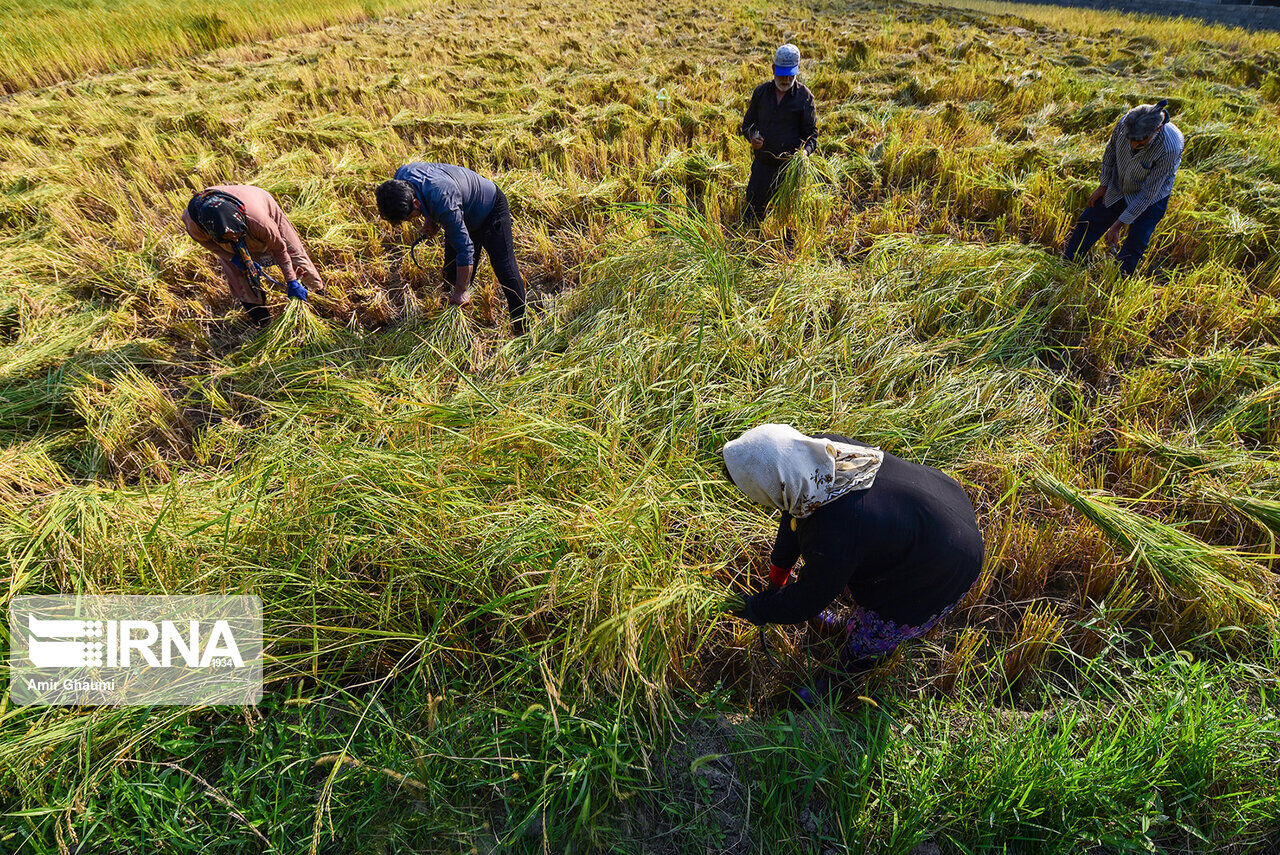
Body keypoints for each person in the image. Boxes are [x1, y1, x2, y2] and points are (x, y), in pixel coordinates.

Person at [722, 425, 983, 694]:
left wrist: (756, 608)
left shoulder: (834, 530)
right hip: (937, 503)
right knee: (853, 563)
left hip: (947, 560)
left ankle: (834, 683)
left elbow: (808, 600)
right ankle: (847, 627)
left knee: (877, 632)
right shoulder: (820, 454)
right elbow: (794, 510)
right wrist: (779, 569)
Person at [375, 163, 528, 336]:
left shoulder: (443, 199)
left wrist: (461, 291)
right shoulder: (401, 177)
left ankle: (521, 328)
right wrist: (430, 219)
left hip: (490, 209)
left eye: (410, 217)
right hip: (460, 209)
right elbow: (424, 196)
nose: (410, 221)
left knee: (504, 268)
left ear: (415, 203)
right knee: (451, 274)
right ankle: (457, 324)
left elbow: (465, 248)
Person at [1062, 99, 1184, 276]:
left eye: (1141, 143)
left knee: (1136, 242)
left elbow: (1148, 193)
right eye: (1131, 141)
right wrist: (1103, 185)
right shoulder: (1125, 123)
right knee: (1088, 221)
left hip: (1151, 197)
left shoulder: (1170, 146)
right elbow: (1110, 151)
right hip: (1119, 184)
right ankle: (1067, 265)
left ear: (1156, 130)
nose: (1134, 146)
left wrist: (1118, 225)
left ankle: (1118, 280)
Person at [184, 185, 324, 326]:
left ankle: (320, 297)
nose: (235, 239)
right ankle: (261, 320)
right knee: (238, 275)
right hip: (226, 239)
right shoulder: (195, 224)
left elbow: (280, 249)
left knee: (295, 255)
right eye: (228, 238)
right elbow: (210, 245)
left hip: (258, 208)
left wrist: (291, 280)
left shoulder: (258, 220)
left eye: (237, 235)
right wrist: (234, 258)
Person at [739, 44, 818, 231]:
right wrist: (752, 137)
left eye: (790, 74)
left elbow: (812, 136)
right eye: (782, 74)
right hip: (762, 167)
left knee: (786, 226)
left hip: (789, 172)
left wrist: (804, 153)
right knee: (750, 220)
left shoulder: (804, 98)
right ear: (773, 69)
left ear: (797, 71)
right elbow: (747, 125)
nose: (786, 79)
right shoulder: (761, 93)